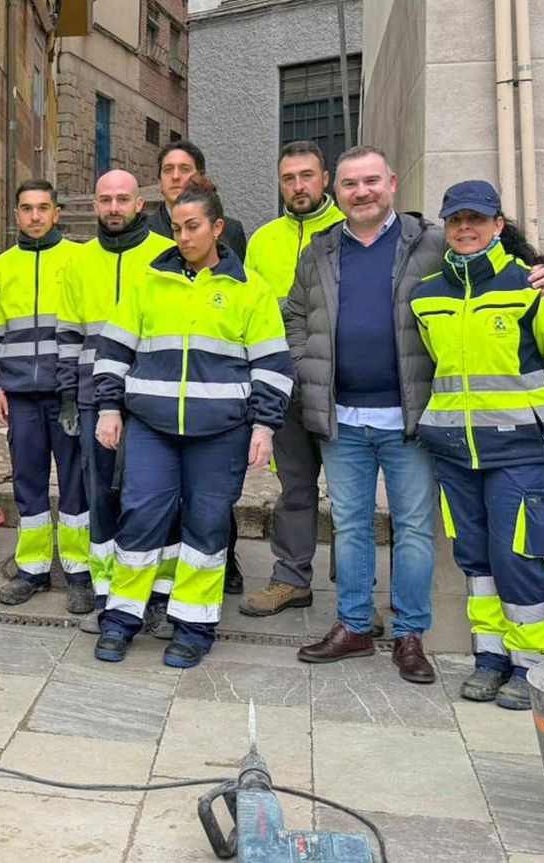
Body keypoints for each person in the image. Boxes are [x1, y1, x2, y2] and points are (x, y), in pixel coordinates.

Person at [285, 145, 544, 685]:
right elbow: (296, 314)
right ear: (335, 192)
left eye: (370, 181)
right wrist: (304, 367)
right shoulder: (319, 250)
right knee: (349, 525)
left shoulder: (431, 241)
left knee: (414, 528)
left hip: (412, 420)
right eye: (349, 184)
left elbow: (507, 262)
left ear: (391, 182)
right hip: (341, 418)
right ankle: (353, 625)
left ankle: (409, 634)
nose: (361, 192)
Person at [92, 176, 292, 669]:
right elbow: (114, 350)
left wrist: (264, 427)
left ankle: (194, 626)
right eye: (177, 227)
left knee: (205, 528)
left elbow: (272, 365)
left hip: (221, 434)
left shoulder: (250, 290)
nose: (183, 237)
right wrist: (108, 408)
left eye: (194, 226)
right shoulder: (148, 281)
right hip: (152, 428)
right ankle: (120, 619)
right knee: (140, 517)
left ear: (217, 227)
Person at [412, 180, 544, 710]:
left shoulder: (534, 288)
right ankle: (490, 658)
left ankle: (533, 662)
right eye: (456, 220)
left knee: (519, 556)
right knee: (476, 559)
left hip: (519, 453)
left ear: (498, 225)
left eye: (476, 219)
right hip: (456, 454)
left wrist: (532, 420)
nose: (465, 228)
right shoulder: (428, 294)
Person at [56, 169, 176, 633]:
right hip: (92, 398)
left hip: (151, 398)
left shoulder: (162, 255)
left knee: (157, 495)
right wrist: (69, 394)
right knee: (101, 494)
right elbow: (67, 336)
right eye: (105, 200)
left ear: (138, 205)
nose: (112, 208)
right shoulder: (80, 262)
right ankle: (109, 592)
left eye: (122, 199)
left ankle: (158, 596)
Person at [236, 141, 347, 620]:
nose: (298, 186)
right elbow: (248, 313)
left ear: (324, 178)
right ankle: (291, 579)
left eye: (307, 175)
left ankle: (354, 595)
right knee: (295, 489)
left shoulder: (350, 232)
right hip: (284, 386)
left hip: (342, 385)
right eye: (288, 178)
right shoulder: (262, 240)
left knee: (349, 494)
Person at [145, 139, 248, 606]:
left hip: (212, 379)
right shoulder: (146, 229)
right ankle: (164, 574)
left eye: (185, 168)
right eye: (168, 168)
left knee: (211, 492)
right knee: (158, 489)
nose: (176, 176)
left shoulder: (235, 230)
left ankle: (221, 561)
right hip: (159, 373)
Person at [0, 180, 90, 610]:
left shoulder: (78, 259)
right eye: (27, 208)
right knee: (28, 483)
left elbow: (84, 326)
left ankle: (79, 569)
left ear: (56, 213)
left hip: (64, 392)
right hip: (21, 394)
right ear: (16, 215)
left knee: (75, 484)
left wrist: (77, 388)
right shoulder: (1, 265)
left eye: (43, 208)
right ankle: (32, 568)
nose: (35, 216)